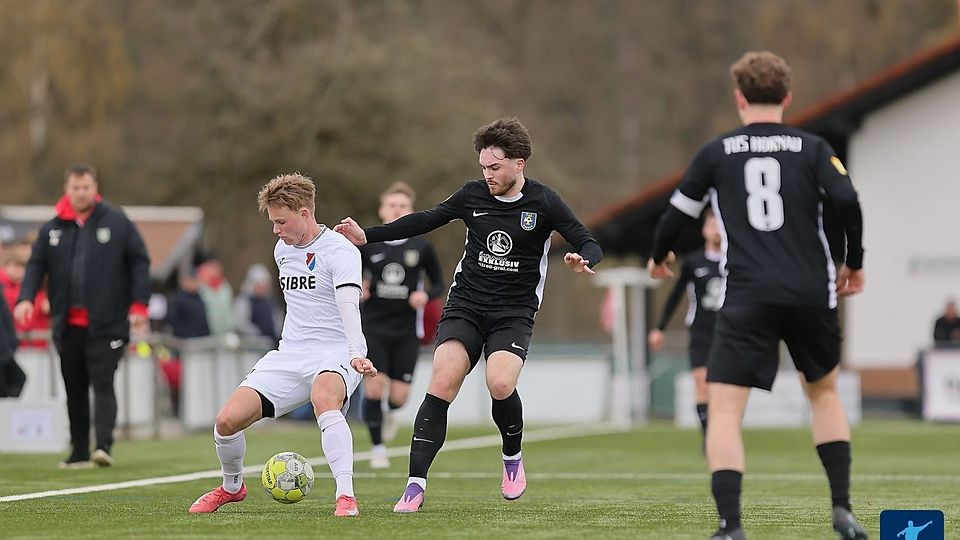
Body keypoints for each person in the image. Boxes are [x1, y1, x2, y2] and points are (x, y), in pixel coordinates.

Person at [647, 52, 868, 540]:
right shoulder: (813, 148)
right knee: (825, 394)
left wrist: (659, 254)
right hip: (811, 290)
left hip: (747, 292)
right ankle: (842, 511)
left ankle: (731, 526)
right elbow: (848, 200)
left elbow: (677, 214)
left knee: (724, 409)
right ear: (787, 97)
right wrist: (854, 261)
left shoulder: (716, 152)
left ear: (739, 98)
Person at [336, 117, 602, 513]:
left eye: (495, 168)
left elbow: (586, 238)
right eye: (483, 167)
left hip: (513, 313)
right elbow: (425, 218)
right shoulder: (472, 195)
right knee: (443, 380)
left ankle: (512, 457)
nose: (488, 175)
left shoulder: (545, 202)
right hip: (466, 305)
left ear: (519, 163)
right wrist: (367, 236)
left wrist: (584, 258)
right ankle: (414, 484)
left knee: (499, 382)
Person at [189, 173, 377, 517]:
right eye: (273, 222)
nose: (275, 230)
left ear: (305, 213)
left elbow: (348, 305)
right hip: (290, 352)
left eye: (281, 221)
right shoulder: (282, 250)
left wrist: (355, 353)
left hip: (336, 350)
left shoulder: (341, 250)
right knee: (226, 421)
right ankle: (232, 488)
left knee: (324, 399)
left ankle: (346, 496)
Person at [14, 164, 151, 469]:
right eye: (75, 188)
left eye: (86, 187)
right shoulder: (53, 228)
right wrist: (26, 298)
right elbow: (36, 266)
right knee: (74, 387)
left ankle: (103, 446)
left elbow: (140, 262)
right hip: (67, 325)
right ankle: (78, 450)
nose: (81, 193)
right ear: (68, 189)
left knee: (103, 383)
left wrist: (140, 306)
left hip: (107, 323)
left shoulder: (117, 221)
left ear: (94, 187)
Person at [359, 181, 445, 469]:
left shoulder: (421, 246)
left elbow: (439, 285)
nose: (397, 210)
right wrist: (360, 287)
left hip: (407, 330)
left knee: (398, 396)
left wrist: (425, 295)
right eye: (392, 205)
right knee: (374, 388)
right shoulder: (367, 245)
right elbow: (351, 277)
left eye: (403, 206)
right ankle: (377, 448)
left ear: (411, 211)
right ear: (382, 209)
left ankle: (391, 413)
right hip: (374, 327)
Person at [647, 210, 722, 448]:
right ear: (704, 230)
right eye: (711, 224)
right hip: (701, 331)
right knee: (702, 384)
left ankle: (722, 433)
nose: (716, 229)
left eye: (719, 224)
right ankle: (708, 437)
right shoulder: (694, 262)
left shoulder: (737, 261)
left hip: (729, 331)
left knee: (722, 387)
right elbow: (675, 296)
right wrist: (660, 328)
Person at [232, 263, 281, 346]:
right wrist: (258, 334)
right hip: (252, 346)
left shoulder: (270, 302)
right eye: (260, 284)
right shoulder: (244, 301)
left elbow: (277, 320)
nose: (263, 287)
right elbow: (240, 323)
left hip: (272, 343)